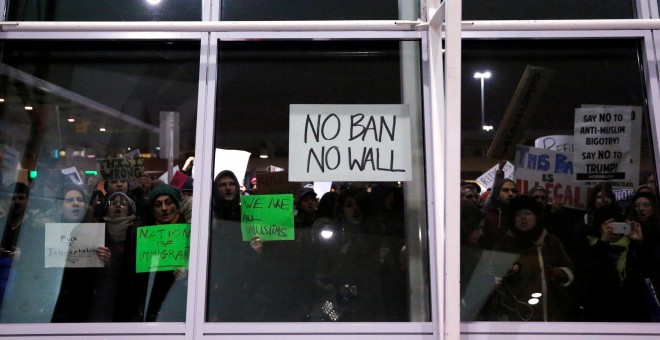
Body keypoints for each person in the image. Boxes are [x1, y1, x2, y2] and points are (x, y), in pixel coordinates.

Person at [489, 195, 574, 321]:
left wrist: (559, 273)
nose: (523, 217)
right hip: (515, 315)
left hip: (549, 313)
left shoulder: (550, 241)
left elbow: (569, 269)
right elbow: (490, 277)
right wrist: (505, 272)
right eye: (518, 214)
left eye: (528, 213)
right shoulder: (504, 244)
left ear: (536, 217)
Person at [311, 187, 387, 321]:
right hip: (340, 306)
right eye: (349, 205)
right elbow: (323, 271)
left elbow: (381, 266)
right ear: (342, 210)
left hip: (369, 303)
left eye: (358, 204)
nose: (355, 208)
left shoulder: (374, 238)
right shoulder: (334, 237)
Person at [51, 185, 111, 322]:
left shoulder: (98, 231)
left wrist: (107, 261)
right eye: (70, 200)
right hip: (54, 303)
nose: (76, 203)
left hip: (87, 305)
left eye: (79, 199)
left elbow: (108, 279)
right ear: (60, 207)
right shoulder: (47, 232)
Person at [207, 170, 260, 321]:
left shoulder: (247, 214)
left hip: (244, 286)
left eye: (231, 184)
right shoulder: (208, 215)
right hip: (215, 286)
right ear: (216, 189)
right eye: (223, 185)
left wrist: (257, 252)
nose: (228, 188)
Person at [139, 184, 188, 322]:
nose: (164, 208)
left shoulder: (190, 233)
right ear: (152, 210)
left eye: (169, 203)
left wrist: (186, 275)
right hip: (152, 308)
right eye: (158, 204)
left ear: (177, 206)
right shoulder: (144, 236)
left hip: (182, 309)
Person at [481, 178, 517, 249]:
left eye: (513, 191)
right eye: (505, 190)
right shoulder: (486, 213)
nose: (510, 193)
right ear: (497, 193)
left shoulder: (520, 213)